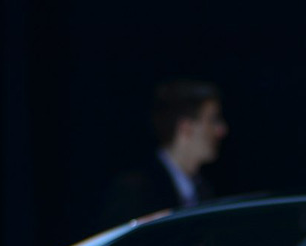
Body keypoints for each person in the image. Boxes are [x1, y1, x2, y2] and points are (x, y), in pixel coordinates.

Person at [98, 80, 228, 227]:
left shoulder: (203, 191)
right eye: (212, 120)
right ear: (186, 127)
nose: (221, 130)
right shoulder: (136, 191)